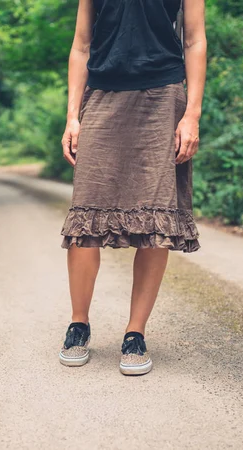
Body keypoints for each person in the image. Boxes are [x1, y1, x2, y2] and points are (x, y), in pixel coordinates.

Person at [59, 0, 207, 375]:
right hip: (103, 96)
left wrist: (192, 114)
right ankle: (79, 324)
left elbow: (194, 40)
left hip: (162, 96)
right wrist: (72, 117)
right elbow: (80, 45)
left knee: (156, 219)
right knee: (85, 216)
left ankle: (135, 334)